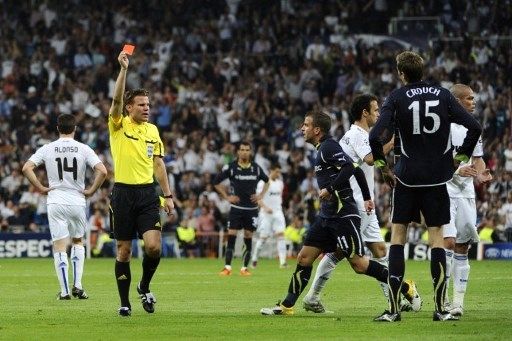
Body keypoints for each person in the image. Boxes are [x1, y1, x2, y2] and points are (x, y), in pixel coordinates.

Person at [260, 110, 419, 316]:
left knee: (360, 265)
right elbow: (357, 169)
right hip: (327, 215)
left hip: (343, 215)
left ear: (317, 130)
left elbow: (348, 168)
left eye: (306, 125)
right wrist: (367, 197)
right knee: (304, 258)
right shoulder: (322, 149)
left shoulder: (328, 147)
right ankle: (287, 306)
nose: (302, 128)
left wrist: (331, 188)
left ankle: (406, 288)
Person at [369, 51, 482, 322]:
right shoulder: (443, 94)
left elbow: (375, 136)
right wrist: (461, 156)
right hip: (437, 180)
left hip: (406, 178)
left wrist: (384, 168)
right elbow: (474, 127)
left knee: (397, 238)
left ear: (401, 73)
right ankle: (440, 309)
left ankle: (394, 310)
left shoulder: (395, 98)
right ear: (422, 71)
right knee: (436, 242)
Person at [303, 94, 420, 313]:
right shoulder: (357, 134)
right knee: (342, 254)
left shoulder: (357, 134)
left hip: (364, 202)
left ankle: (392, 298)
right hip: (354, 204)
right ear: (364, 113)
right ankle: (313, 296)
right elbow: (369, 159)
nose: (378, 114)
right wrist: (393, 141)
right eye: (375, 110)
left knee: (378, 249)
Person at [109, 51, 175, 317]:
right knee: (124, 251)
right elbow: (115, 100)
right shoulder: (118, 125)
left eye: (148, 104)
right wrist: (123, 70)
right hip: (123, 193)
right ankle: (124, 303)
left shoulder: (153, 130)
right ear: (129, 108)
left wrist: (168, 195)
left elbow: (159, 164)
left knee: (153, 246)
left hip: (147, 193)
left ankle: (144, 285)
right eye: (141, 105)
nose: (146, 108)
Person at [22, 113, 107, 300]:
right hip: (77, 200)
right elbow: (102, 171)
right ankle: (78, 285)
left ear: (58, 128)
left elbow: (26, 168)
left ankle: (65, 291)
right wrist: (92, 190)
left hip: (56, 199)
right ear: (75, 129)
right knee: (78, 241)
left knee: (59, 246)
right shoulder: (84, 149)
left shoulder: (48, 148)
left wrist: (41, 188)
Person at [443, 84, 493, 317]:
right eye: (470, 99)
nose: (474, 102)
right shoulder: (441, 126)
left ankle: (457, 303)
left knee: (463, 245)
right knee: (448, 243)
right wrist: (456, 171)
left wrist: (481, 172)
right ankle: (441, 299)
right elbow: (433, 162)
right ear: (457, 101)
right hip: (444, 189)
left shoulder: (473, 128)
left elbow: (478, 158)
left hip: (466, 194)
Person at [214, 141, 269, 276]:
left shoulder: (256, 168)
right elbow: (215, 182)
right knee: (231, 235)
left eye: (247, 150)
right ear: (238, 152)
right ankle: (227, 267)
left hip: (251, 209)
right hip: (236, 208)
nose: (244, 152)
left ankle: (244, 268)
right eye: (242, 149)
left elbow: (267, 181)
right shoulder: (231, 167)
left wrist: (260, 195)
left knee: (248, 236)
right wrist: (227, 197)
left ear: (250, 152)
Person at [251, 163, 288, 269]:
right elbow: (258, 198)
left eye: (279, 172)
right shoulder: (263, 183)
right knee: (263, 238)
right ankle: (254, 259)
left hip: (278, 212)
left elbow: (278, 198)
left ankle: (283, 262)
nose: (278, 174)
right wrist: (265, 207)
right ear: (271, 171)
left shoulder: (280, 183)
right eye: (276, 171)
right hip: (265, 214)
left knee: (281, 235)